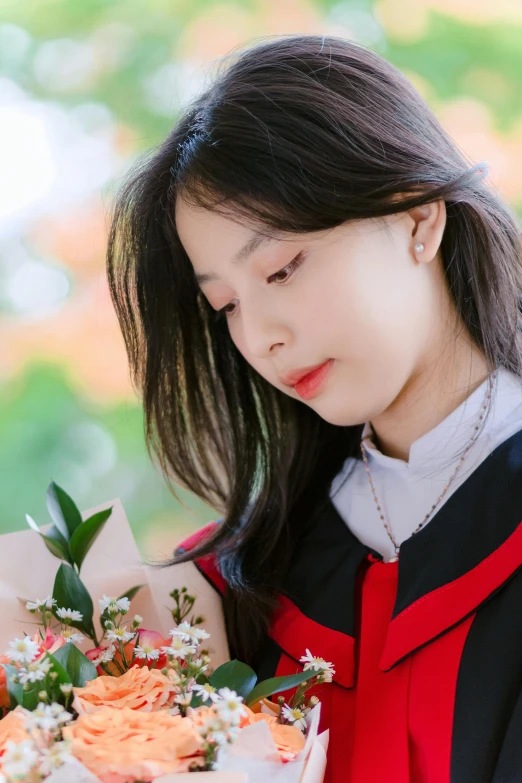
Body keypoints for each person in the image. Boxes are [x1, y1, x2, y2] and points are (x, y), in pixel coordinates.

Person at [106, 34, 522, 783]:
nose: (262, 336)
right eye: (225, 303)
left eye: (284, 267)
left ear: (419, 217)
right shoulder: (240, 583)